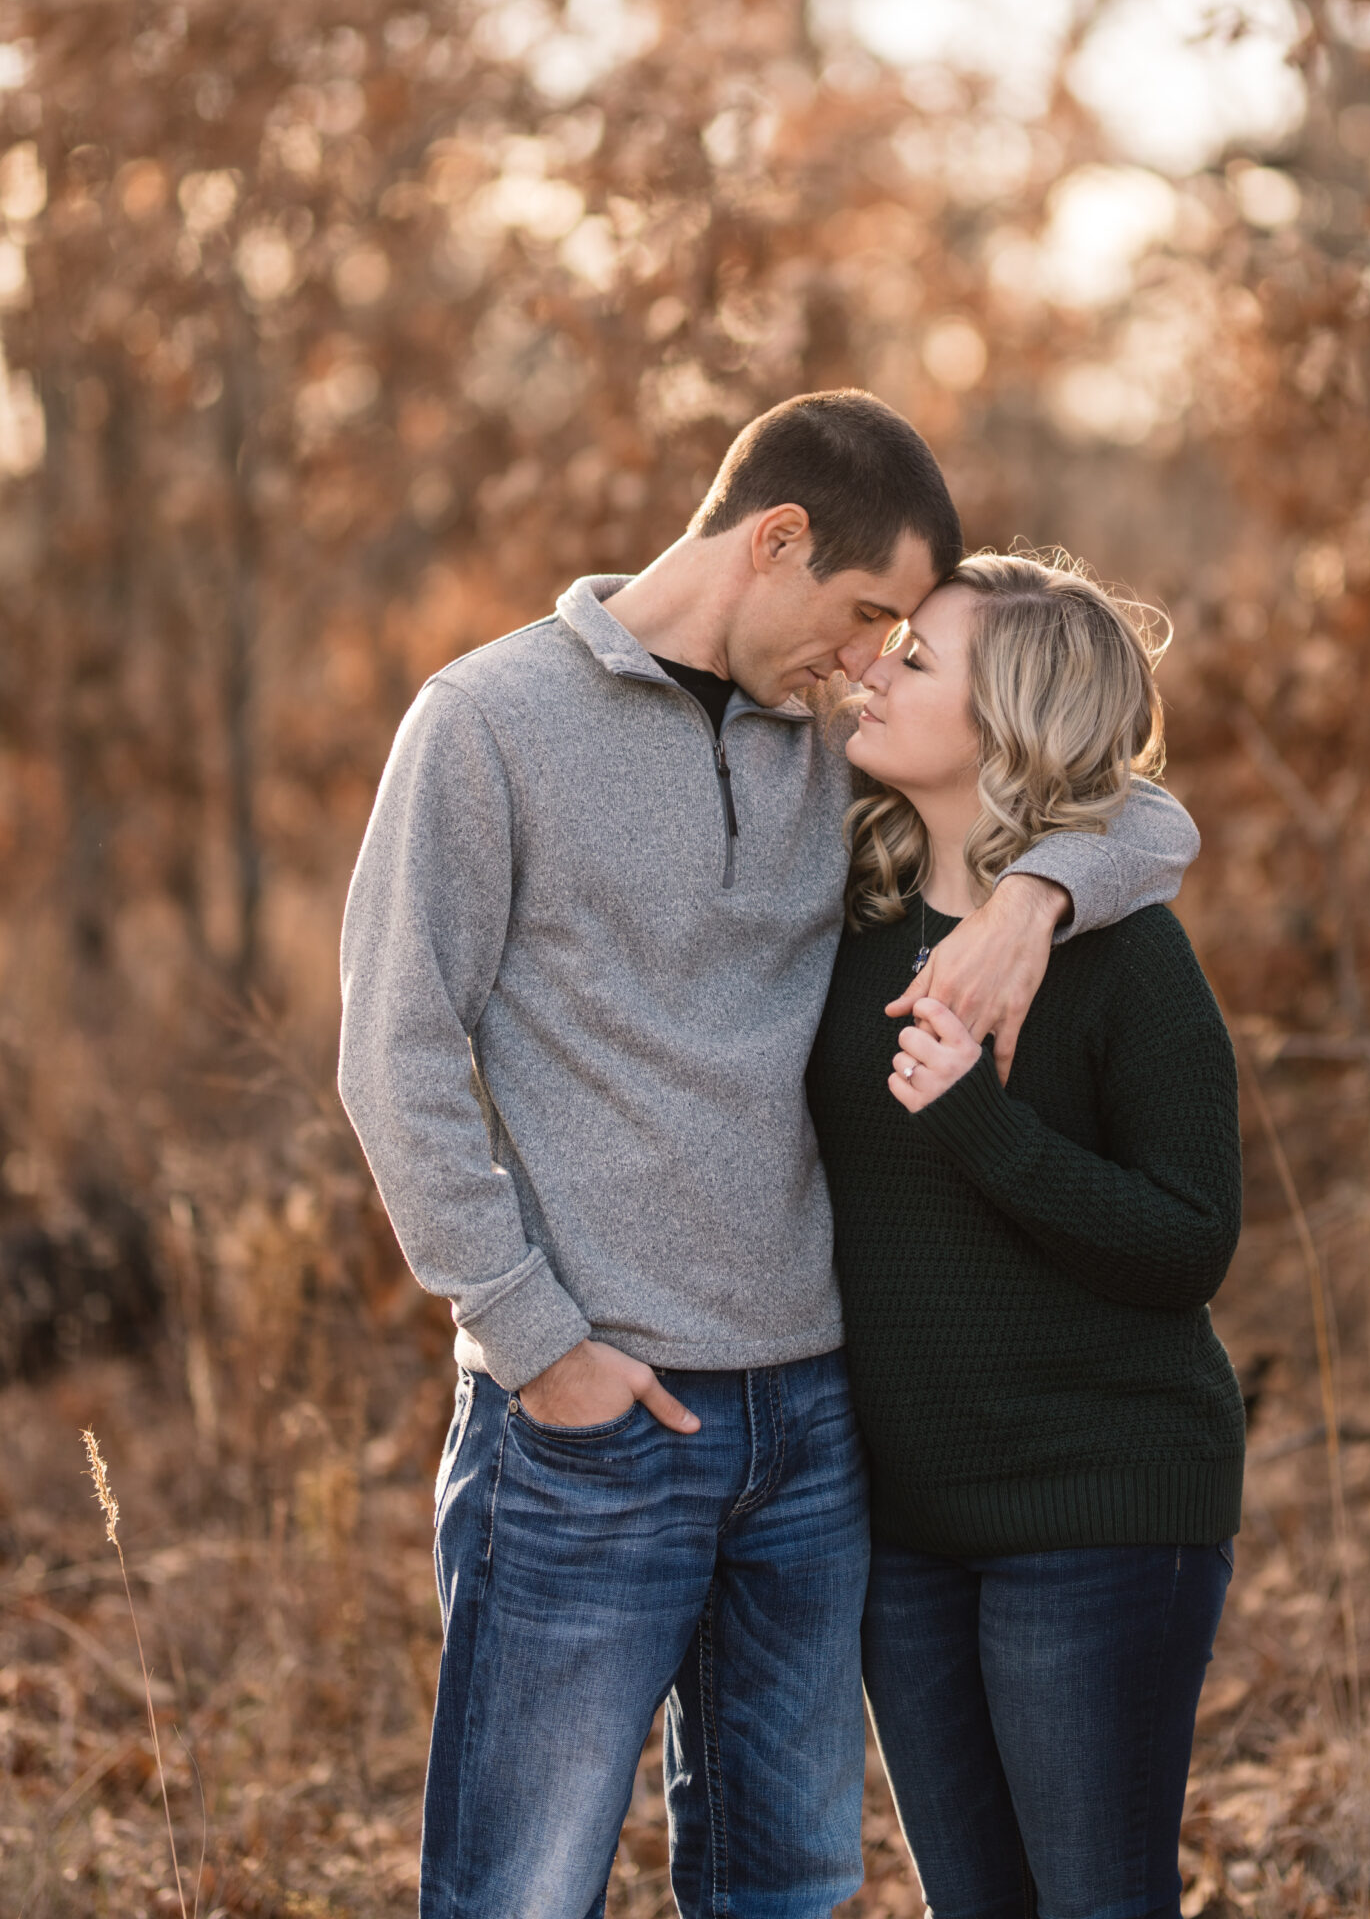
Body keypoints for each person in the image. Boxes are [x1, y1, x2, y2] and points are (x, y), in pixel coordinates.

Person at [337, 392, 1201, 1919]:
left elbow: (1138, 815)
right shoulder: (483, 724)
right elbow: (394, 1053)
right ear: (776, 539)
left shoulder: (825, 736)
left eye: (899, 641)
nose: (873, 661)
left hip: (813, 1429)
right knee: (520, 1892)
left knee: (788, 1887)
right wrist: (540, 1346)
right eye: (869, 614)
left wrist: (1035, 900)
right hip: (596, 1427)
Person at [806, 550, 1244, 1919]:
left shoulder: (1128, 958)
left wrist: (984, 1130)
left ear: (1009, 728)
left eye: (917, 661)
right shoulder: (849, 914)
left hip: (1099, 1507)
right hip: (906, 1528)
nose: (874, 668)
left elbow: (1189, 1242)